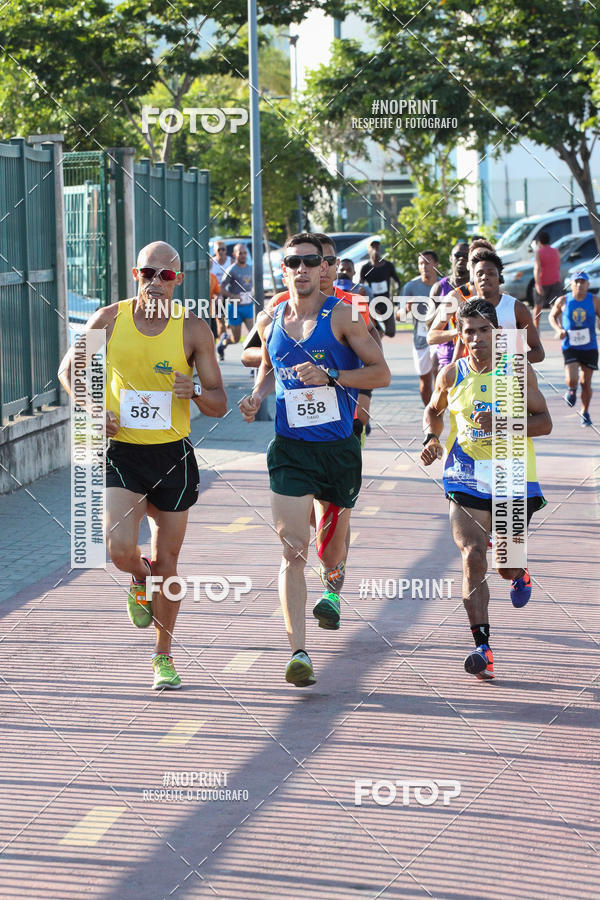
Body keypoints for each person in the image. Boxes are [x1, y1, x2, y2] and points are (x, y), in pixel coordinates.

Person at [58, 241, 227, 691]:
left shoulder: (193, 330)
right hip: (123, 453)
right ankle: (138, 576)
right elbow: (68, 371)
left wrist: (193, 392)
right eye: (147, 273)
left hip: (172, 455)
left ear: (178, 280)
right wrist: (95, 410)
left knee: (169, 560)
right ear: (135, 275)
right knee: (116, 547)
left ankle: (163, 657)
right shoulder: (109, 319)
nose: (156, 282)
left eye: (165, 275)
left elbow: (219, 403)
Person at [239, 233, 390, 687]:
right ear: (283, 269)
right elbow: (268, 367)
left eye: (310, 261)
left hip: (339, 448)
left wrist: (333, 375)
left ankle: (334, 586)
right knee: (292, 548)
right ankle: (299, 652)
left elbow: (381, 372)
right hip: (290, 449)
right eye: (293, 262)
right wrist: (256, 395)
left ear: (322, 267)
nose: (302, 269)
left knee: (333, 547)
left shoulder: (343, 315)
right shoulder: (270, 318)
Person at [421, 298, 552, 680]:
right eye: (469, 332)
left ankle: (520, 573)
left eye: (483, 331)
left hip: (512, 472)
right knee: (472, 555)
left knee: (506, 567)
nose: (476, 339)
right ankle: (482, 647)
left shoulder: (517, 369)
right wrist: (431, 437)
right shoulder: (451, 374)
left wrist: (502, 423)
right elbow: (433, 409)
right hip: (465, 474)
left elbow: (543, 423)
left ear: (497, 334)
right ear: (460, 337)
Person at [470, 250, 545, 363]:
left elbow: (538, 353)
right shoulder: (466, 309)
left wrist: (508, 364)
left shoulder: (516, 308)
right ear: (473, 280)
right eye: (479, 274)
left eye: (490, 273)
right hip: (478, 378)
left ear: (500, 279)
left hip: (508, 378)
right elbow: (460, 350)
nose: (484, 277)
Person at [549, 272, 600, 426]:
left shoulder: (595, 300)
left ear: (588, 285)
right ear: (571, 284)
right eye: (576, 282)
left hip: (589, 346)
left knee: (586, 383)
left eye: (583, 282)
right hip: (570, 344)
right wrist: (558, 330)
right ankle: (571, 390)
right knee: (573, 378)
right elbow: (552, 316)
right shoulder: (563, 300)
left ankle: (585, 412)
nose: (579, 285)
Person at [400, 249, 439, 405]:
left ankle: (439, 407)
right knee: (424, 379)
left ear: (436, 264)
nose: (424, 266)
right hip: (420, 339)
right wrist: (407, 308)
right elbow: (399, 315)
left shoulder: (444, 284)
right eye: (421, 263)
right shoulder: (411, 287)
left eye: (428, 262)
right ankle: (429, 410)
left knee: (438, 370)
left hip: (439, 336)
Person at [427, 243, 471, 366]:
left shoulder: (477, 287)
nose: (462, 258)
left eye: (466, 255)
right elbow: (428, 324)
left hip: (473, 353)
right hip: (446, 353)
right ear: (451, 258)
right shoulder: (439, 287)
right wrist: (447, 305)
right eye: (458, 255)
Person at [217, 243, 255, 361]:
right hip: (234, 308)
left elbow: (252, 286)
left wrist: (253, 293)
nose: (243, 255)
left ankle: (253, 364)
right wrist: (233, 296)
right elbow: (221, 288)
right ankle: (223, 344)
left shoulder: (250, 268)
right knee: (236, 339)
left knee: (253, 335)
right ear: (235, 254)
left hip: (248, 307)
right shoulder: (231, 270)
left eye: (245, 253)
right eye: (240, 253)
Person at [359, 239, 401, 338]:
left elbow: (397, 281)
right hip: (373, 304)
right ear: (368, 250)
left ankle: (380, 333)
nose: (375, 249)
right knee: (374, 332)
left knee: (391, 332)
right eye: (373, 247)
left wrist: (397, 297)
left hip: (386, 302)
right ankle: (377, 345)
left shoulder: (388, 266)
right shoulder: (366, 268)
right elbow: (361, 286)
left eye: (377, 247)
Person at [533, 231, 562, 330]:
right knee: (557, 306)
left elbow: (537, 269)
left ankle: (536, 328)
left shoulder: (539, 253)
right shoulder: (555, 251)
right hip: (555, 281)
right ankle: (561, 327)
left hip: (543, 282)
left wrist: (537, 284)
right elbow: (558, 266)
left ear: (539, 241)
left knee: (538, 307)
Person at [210, 241, 232, 339]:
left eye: (223, 249)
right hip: (217, 295)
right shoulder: (211, 263)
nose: (221, 252)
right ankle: (221, 342)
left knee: (231, 322)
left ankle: (229, 322)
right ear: (214, 251)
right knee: (220, 322)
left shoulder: (231, 262)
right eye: (219, 249)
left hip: (229, 294)